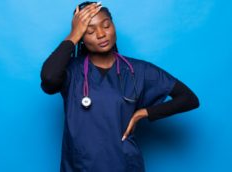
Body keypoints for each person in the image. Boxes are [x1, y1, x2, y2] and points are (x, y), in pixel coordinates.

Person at [40, 1, 200, 172]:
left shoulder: (139, 70)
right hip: (81, 165)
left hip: (124, 164)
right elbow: (49, 78)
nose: (101, 34)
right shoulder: (71, 71)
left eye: (106, 25)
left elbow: (189, 99)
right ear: (82, 38)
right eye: (90, 30)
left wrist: (143, 113)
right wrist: (74, 33)